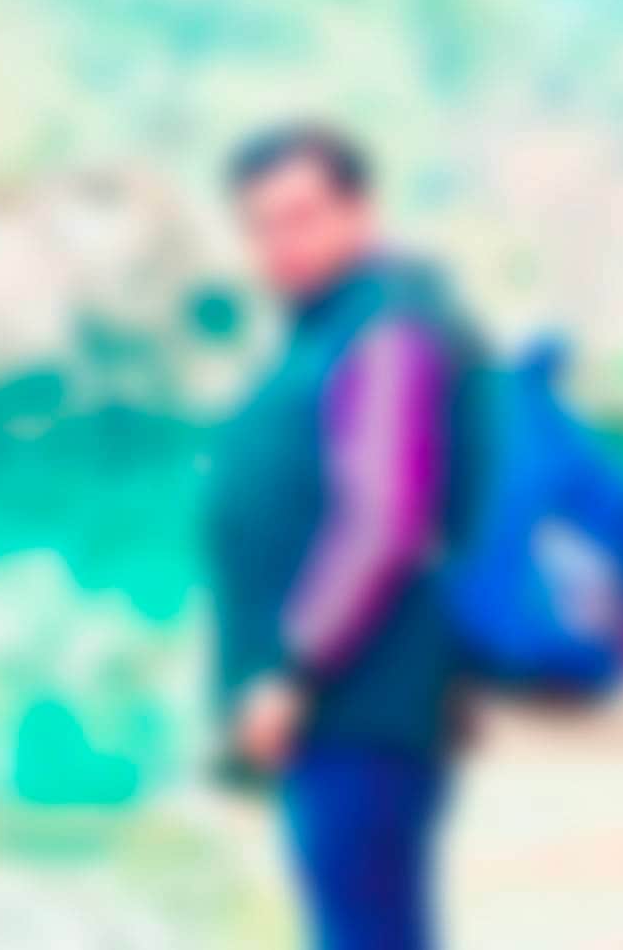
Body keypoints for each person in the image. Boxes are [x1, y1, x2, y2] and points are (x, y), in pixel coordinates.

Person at [207, 123, 482, 950]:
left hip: (360, 705)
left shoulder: (387, 330)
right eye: (261, 226)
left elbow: (381, 522)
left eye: (302, 217)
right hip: (346, 710)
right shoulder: (333, 326)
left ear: (361, 211)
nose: (280, 245)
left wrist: (291, 673)